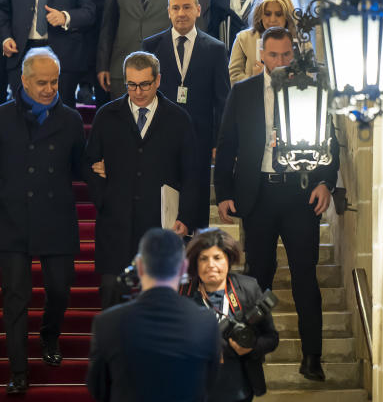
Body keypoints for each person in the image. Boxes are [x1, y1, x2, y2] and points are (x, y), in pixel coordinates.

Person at [214, 26, 340, 382]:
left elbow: (332, 141)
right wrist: (223, 192)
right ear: (261, 57)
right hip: (258, 195)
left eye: (286, 55)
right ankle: (250, 349)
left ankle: (312, 356)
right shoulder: (243, 92)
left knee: (304, 276)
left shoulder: (313, 89)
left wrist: (325, 182)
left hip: (300, 194)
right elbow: (227, 145)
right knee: (257, 277)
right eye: (274, 55)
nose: (281, 61)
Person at [0, 48, 86, 395]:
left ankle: (49, 334)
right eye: (42, 83)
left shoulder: (70, 120)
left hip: (57, 218)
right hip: (13, 218)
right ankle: (18, 369)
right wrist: (2, 195)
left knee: (59, 289)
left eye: (54, 82)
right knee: (15, 297)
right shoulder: (0, 117)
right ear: (23, 80)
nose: (50, 88)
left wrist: (102, 168)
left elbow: (80, 165)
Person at [85, 51, 198, 309]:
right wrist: (102, 199)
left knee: (160, 298)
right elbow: (88, 164)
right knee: (111, 292)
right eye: (131, 85)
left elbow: (191, 173)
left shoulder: (178, 119)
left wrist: (186, 217)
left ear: (158, 80)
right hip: (116, 224)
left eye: (144, 84)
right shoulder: (107, 115)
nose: (137, 92)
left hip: (160, 223)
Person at [86, 228, 220, 402]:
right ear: (184, 268)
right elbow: (209, 384)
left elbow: (98, 389)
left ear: (140, 266)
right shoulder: (206, 322)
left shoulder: (107, 323)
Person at [141, 0, 229, 232]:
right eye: (176, 8)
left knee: (196, 206)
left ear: (198, 10)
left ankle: (194, 261)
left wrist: (218, 142)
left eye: (187, 7)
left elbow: (222, 101)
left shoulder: (215, 49)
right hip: (160, 139)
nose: (181, 13)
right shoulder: (151, 46)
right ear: (168, 12)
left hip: (199, 140)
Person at [181, 228, 279, 402]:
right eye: (203, 259)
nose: (211, 265)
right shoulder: (183, 294)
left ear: (228, 259)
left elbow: (271, 338)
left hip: (239, 390)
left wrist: (251, 347)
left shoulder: (248, 288)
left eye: (217, 258)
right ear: (195, 263)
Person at [228, 0, 297, 84]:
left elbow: (310, 75)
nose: (272, 20)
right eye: (267, 14)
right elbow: (232, 78)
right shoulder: (243, 39)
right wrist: (255, 79)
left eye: (278, 14)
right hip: (254, 97)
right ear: (260, 15)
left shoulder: (301, 40)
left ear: (287, 16)